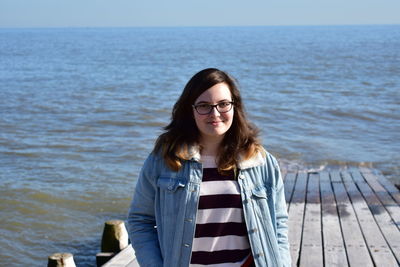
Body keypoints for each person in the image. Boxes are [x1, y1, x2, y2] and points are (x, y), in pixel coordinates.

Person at [127, 68, 291, 267]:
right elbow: (140, 221)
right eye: (204, 105)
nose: (215, 113)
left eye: (223, 104)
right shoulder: (163, 161)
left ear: (234, 107)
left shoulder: (260, 162)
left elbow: (279, 224)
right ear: (191, 110)